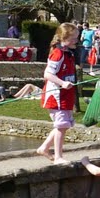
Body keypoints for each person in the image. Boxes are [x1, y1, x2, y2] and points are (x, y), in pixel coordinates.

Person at [36, 22, 80, 163]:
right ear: (64, 38)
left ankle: (44, 148)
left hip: (66, 96)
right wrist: (62, 83)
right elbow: (48, 74)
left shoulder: (69, 54)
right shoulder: (58, 53)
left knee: (64, 125)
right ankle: (58, 157)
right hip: (57, 96)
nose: (76, 41)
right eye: (74, 38)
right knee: (61, 126)